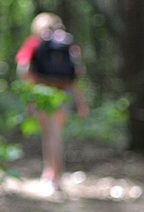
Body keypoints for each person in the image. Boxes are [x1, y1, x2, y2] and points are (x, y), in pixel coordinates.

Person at [15, 12, 89, 191]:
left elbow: (23, 70)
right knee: (55, 135)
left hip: (43, 95)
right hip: (63, 94)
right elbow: (77, 74)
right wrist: (81, 102)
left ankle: (55, 177)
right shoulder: (68, 45)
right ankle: (52, 173)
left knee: (51, 136)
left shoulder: (34, 43)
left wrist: (33, 92)